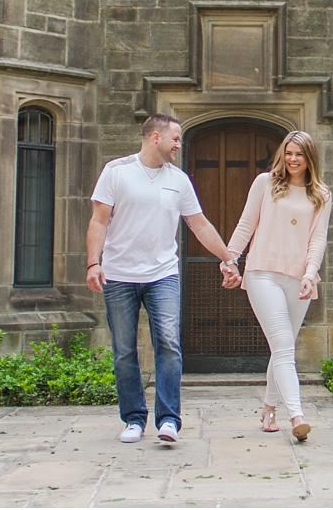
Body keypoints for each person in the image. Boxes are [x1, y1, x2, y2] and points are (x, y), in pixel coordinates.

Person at [86, 113, 240, 445]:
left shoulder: (179, 180)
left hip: (162, 275)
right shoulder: (116, 172)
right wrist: (92, 264)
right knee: (124, 350)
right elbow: (99, 221)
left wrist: (227, 258)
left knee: (168, 344)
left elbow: (199, 225)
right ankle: (133, 418)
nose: (178, 145)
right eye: (175, 138)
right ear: (155, 137)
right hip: (119, 275)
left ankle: (169, 419)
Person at [220, 130, 333, 442]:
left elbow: (317, 239)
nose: (293, 159)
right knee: (283, 346)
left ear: (310, 158)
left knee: (281, 348)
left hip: (299, 279)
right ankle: (296, 415)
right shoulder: (265, 183)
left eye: (299, 154)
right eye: (289, 152)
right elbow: (246, 224)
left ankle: (269, 406)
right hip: (262, 273)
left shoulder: (321, 194)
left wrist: (310, 274)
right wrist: (230, 258)